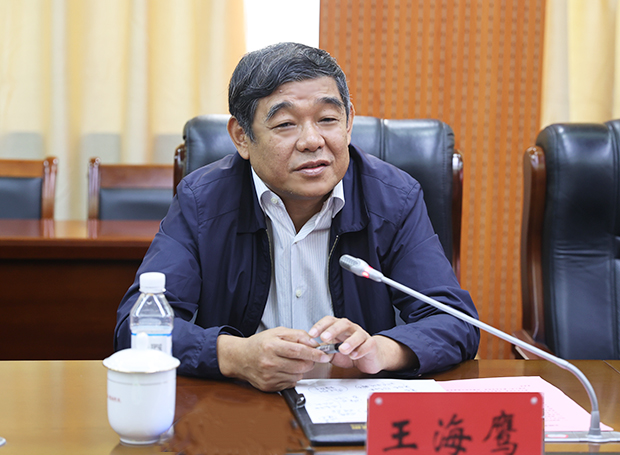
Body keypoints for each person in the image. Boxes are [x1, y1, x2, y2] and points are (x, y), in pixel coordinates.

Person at [114, 42, 479, 392]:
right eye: (286, 124)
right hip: (239, 404)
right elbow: (137, 327)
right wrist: (236, 355)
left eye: (328, 119)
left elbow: (454, 321)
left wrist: (380, 350)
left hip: (352, 406)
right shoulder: (202, 201)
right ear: (242, 137)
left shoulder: (393, 198)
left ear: (349, 123)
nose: (312, 140)